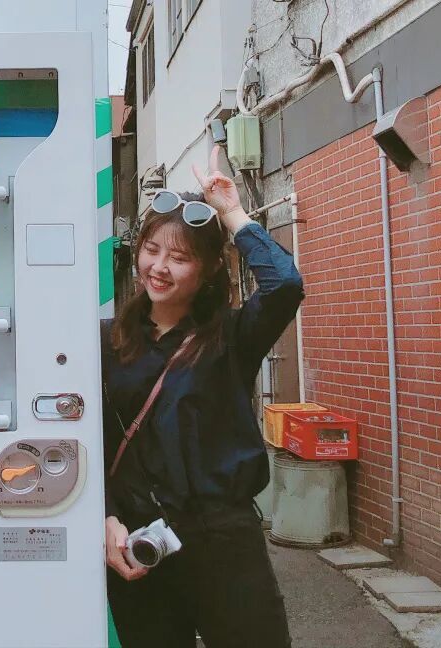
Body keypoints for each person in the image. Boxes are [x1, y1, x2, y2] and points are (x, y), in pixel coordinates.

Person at [101, 145, 303, 648]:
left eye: (180, 257)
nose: (159, 267)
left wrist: (232, 212)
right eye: (152, 250)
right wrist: (104, 518)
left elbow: (284, 285)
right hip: (139, 541)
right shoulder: (107, 341)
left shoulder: (231, 337)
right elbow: (88, 441)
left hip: (224, 540)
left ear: (211, 268)